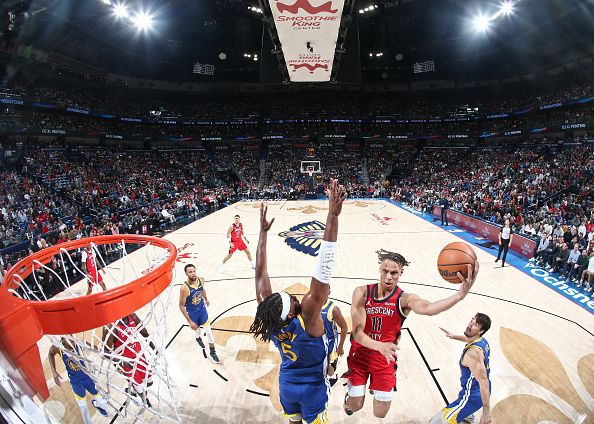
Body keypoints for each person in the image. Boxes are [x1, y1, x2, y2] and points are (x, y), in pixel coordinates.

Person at [250, 179, 346, 424]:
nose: (295, 297)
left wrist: (262, 234)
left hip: (287, 385)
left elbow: (260, 274)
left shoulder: (271, 322)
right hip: (312, 388)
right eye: (293, 300)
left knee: (293, 421)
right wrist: (332, 216)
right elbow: (323, 269)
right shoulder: (310, 319)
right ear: (293, 314)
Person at [343, 250, 479, 418]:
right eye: (385, 271)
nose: (388, 277)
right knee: (355, 406)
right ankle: (349, 397)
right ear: (380, 269)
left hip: (384, 359)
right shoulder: (362, 292)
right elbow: (357, 333)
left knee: (380, 413)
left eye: (394, 273)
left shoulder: (404, 299)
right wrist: (380, 346)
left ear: (401, 273)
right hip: (361, 354)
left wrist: (459, 295)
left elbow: (429, 309)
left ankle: (373, 386)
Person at [430, 313, 492, 424]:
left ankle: (468, 411)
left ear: (480, 331)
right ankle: (468, 415)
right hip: (475, 390)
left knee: (435, 422)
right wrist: (454, 336)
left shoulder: (473, 353)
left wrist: (486, 412)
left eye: (476, 324)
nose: (470, 325)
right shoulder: (482, 341)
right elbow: (468, 339)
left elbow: (484, 383)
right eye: (472, 320)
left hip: (472, 396)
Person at [48, 337, 109, 424]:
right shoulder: (57, 347)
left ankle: (97, 404)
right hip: (76, 381)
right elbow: (50, 354)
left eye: (71, 335)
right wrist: (54, 372)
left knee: (104, 404)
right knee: (83, 406)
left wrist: (92, 347)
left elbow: (95, 349)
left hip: (88, 377)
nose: (71, 338)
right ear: (63, 339)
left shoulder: (78, 341)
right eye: (68, 337)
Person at [103, 313, 154, 407]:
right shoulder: (110, 326)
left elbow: (145, 333)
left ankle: (130, 391)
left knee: (149, 382)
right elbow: (105, 352)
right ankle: (145, 401)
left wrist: (154, 348)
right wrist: (122, 362)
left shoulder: (132, 316)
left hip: (139, 357)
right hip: (126, 363)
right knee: (141, 389)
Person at [179, 264, 220, 364]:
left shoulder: (201, 280)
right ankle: (197, 338)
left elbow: (202, 290)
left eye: (194, 271)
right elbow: (181, 305)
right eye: (190, 272)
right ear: (186, 274)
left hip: (202, 309)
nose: (193, 273)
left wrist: (206, 299)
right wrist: (189, 321)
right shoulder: (184, 288)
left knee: (209, 332)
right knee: (197, 330)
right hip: (192, 313)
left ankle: (212, 351)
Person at [321, 292, 348, 386]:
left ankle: (332, 376)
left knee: (330, 370)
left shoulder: (333, 309)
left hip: (330, 342)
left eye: (323, 289)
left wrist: (340, 347)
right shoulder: (312, 304)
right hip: (317, 340)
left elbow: (344, 327)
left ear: (328, 292)